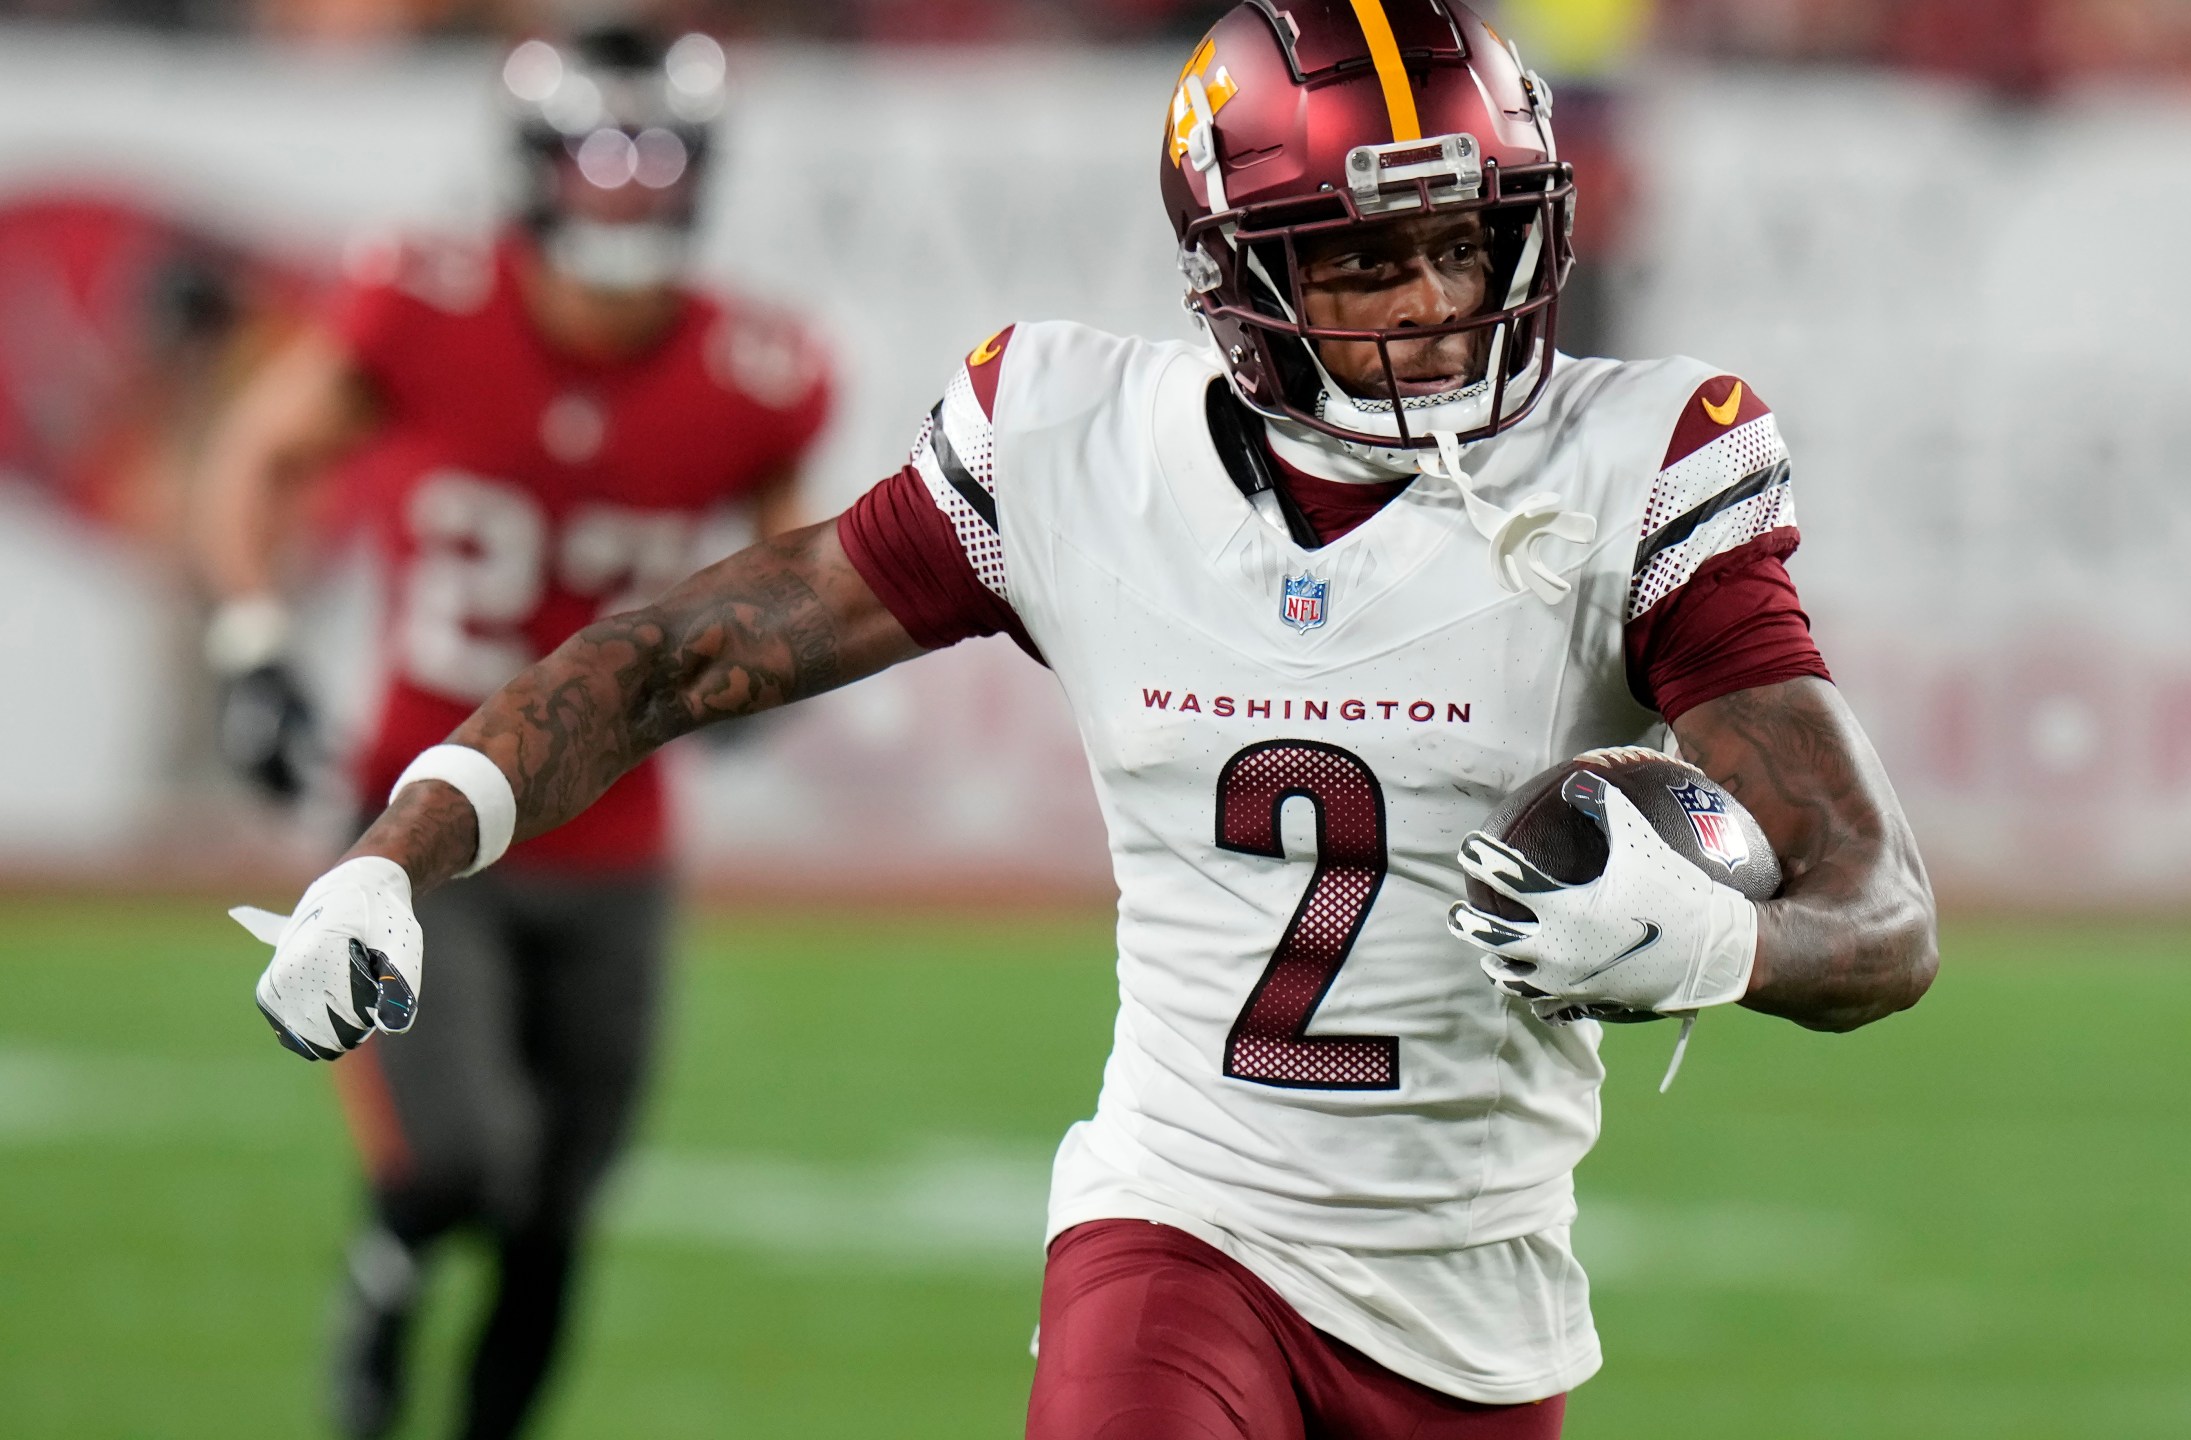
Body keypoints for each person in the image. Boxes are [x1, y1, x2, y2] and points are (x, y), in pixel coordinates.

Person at [231, 3, 1933, 1435]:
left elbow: (1883, 912)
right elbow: (678, 653)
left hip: (1479, 1286)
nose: (1428, 300)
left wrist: (1726, 948)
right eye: (1361, 257)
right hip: (1177, 1221)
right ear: (1240, 268)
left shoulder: (1641, 468)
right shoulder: (1074, 445)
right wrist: (398, 851)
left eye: (1463, 237)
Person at [199, 25, 831, 1440]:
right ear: (537, 166)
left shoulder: (758, 368)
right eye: (602, 158)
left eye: (661, 160)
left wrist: (764, 669)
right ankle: (383, 1281)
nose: (630, 191)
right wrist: (250, 641)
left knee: (559, 1211)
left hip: (617, 844)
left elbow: (800, 567)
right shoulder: (422, 307)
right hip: (422, 823)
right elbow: (257, 454)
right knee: (459, 1165)